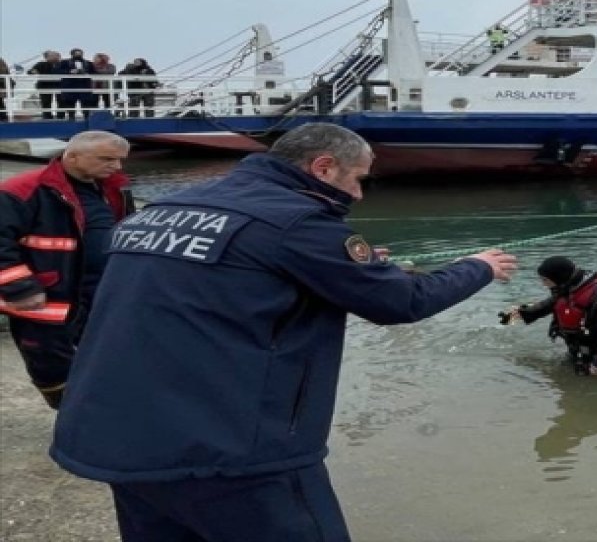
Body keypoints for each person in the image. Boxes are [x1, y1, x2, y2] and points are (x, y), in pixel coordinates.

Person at [50, 123, 518, 542]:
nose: (358, 194)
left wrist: (342, 262)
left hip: (117, 437)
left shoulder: (163, 209)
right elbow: (402, 301)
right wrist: (476, 267)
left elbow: (235, 271)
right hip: (229, 453)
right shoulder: (298, 220)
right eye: (358, 179)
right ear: (324, 167)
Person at [0, 131, 133, 409]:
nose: (117, 167)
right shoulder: (24, 190)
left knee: (103, 359)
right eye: (107, 159)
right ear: (72, 157)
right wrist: (19, 287)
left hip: (99, 294)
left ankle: (98, 414)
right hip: (47, 300)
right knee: (52, 369)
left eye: (120, 160)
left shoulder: (114, 188)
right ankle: (70, 416)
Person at [502, 256, 597, 376]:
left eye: (546, 280)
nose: (544, 285)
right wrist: (523, 313)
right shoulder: (569, 286)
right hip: (583, 356)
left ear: (559, 278)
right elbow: (556, 303)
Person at [58, 48, 96, 119]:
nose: (78, 55)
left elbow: (94, 73)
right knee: (70, 103)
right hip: (70, 86)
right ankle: (71, 118)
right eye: (76, 54)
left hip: (84, 86)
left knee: (86, 103)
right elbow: (58, 71)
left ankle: (87, 117)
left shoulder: (88, 63)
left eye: (80, 54)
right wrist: (70, 72)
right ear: (72, 54)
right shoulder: (64, 62)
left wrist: (86, 73)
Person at [28, 50, 62, 119]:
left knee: (61, 101)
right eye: (53, 56)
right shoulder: (41, 64)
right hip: (45, 85)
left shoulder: (62, 64)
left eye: (57, 55)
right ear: (47, 57)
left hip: (59, 85)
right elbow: (30, 71)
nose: (56, 57)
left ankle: (61, 116)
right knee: (46, 102)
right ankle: (47, 116)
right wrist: (33, 71)